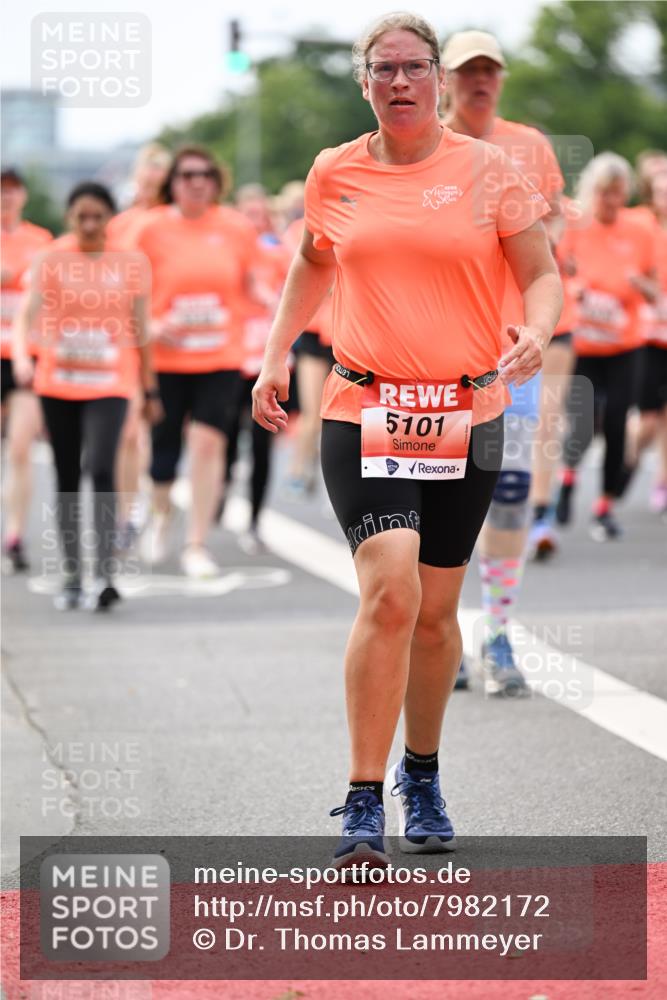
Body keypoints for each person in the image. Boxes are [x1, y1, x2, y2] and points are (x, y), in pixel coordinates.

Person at [253, 12, 561, 866]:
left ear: (436, 80)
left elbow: (540, 273)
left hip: (466, 412)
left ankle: (419, 773)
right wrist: (275, 355)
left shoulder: (488, 170)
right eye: (383, 69)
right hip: (363, 408)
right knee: (390, 589)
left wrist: (537, 332)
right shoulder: (335, 170)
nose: (399, 82)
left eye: (414, 68)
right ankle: (362, 798)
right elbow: (312, 260)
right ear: (364, 83)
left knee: (432, 616)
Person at [441, 29, 565, 694]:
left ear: (502, 78)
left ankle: (498, 632)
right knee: (439, 502)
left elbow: (552, 228)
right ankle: (443, 634)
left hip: (510, 352)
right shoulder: (424, 146)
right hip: (434, 358)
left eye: (489, 70)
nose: (480, 81)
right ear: (444, 81)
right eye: (467, 71)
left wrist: (539, 249)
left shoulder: (530, 147)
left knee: (509, 495)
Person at [12, 182, 161, 610]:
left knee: (101, 467)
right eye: (82, 217)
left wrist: (150, 387)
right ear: (69, 218)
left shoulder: (130, 262)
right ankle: (74, 575)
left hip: (111, 383)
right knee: (66, 475)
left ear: (110, 218)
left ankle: (105, 574)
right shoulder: (51, 258)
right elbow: (26, 316)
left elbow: (140, 329)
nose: (90, 224)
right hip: (58, 382)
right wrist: (22, 356)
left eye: (98, 216)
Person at [135, 146, 261, 578]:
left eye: (205, 174)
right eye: (187, 175)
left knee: (209, 444)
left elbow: (254, 282)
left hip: (220, 355)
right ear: (172, 182)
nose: (197, 182)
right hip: (166, 360)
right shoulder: (150, 229)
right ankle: (161, 514)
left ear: (216, 181)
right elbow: (127, 290)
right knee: (164, 450)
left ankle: (196, 544)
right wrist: (151, 325)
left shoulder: (236, 227)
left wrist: (281, 304)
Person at [555, 153, 657, 539]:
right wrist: (575, 289)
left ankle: (605, 506)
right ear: (591, 192)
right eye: (604, 194)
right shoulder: (575, 225)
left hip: (625, 346)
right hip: (582, 346)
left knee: (616, 423)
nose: (612, 202)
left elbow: (654, 287)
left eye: (618, 194)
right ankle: (567, 480)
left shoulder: (640, 229)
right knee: (584, 421)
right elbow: (555, 272)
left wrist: (639, 285)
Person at [108, 144, 172, 551]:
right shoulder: (121, 223)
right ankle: (128, 512)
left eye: (158, 178)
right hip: (130, 339)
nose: (151, 185)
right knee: (129, 431)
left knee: (165, 435)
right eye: (146, 176)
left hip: (175, 346)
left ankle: (160, 505)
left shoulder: (175, 221)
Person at [224, 184, 288, 552]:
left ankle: (255, 519)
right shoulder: (225, 251)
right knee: (227, 435)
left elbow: (291, 292)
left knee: (263, 441)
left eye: (260, 215)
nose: (255, 222)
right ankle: (220, 489)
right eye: (248, 215)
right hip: (232, 355)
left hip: (266, 356)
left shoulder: (278, 253)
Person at [1, 167, 52, 571]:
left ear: (23, 196)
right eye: (2, 191)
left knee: (20, 447)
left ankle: (15, 535)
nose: (7, 197)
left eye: (13, 191)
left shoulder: (41, 241)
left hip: (26, 356)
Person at [281, 206, 334, 499]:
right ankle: (299, 468)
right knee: (312, 410)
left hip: (348, 330)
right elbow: (302, 270)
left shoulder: (361, 220)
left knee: (347, 413)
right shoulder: (300, 228)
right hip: (313, 331)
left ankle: (331, 475)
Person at [625, 160, 667, 514]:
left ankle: (662, 483)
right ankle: (628, 457)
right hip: (646, 336)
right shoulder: (638, 224)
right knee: (649, 419)